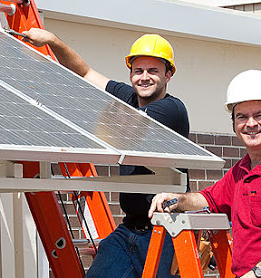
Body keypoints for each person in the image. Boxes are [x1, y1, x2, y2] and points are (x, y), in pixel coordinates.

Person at [23, 28, 188, 277]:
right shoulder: (127, 99)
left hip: (167, 229)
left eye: (153, 71)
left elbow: (128, 126)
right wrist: (53, 41)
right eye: (138, 70)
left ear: (169, 75)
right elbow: (86, 72)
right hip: (130, 228)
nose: (144, 77)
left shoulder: (171, 109)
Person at [149, 70, 261, 278]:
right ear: (234, 124)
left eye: (260, 115)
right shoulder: (241, 171)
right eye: (242, 117)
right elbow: (209, 200)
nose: (251, 124)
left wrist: (258, 273)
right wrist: (177, 199)